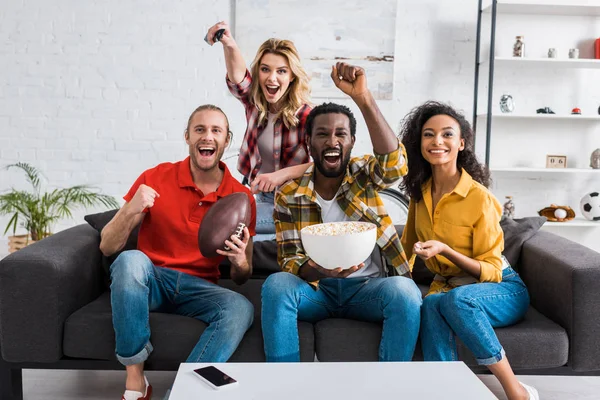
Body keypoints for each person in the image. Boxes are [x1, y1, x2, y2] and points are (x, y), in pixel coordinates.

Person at [260, 62, 423, 362]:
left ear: (351, 142)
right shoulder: (289, 195)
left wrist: (363, 98)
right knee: (276, 285)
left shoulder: (363, 174)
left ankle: (392, 387)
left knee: (406, 293)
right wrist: (319, 269)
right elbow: (290, 262)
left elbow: (394, 166)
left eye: (340, 134)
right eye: (322, 134)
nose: (332, 141)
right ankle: (283, 385)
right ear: (309, 143)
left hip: (368, 289)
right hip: (317, 291)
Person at [99, 104, 256, 400]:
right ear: (187, 136)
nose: (207, 136)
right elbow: (107, 246)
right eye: (199, 129)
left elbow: (241, 278)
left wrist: (240, 260)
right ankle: (136, 382)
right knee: (129, 260)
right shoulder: (156, 177)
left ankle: (186, 391)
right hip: (152, 280)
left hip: (200, 289)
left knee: (241, 308)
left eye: (215, 131)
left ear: (226, 140)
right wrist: (132, 207)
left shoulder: (241, 197)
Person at [399, 101, 538, 400]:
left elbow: (491, 269)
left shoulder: (479, 198)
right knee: (433, 303)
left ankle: (516, 391)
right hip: (449, 288)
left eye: (447, 134)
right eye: (428, 134)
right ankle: (447, 393)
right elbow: (406, 248)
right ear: (419, 142)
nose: (437, 141)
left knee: (455, 300)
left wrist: (446, 250)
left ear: (461, 143)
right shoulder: (419, 194)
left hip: (501, 289)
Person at [206, 21, 313, 241]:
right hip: (260, 196)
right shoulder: (255, 103)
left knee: (231, 231)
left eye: (281, 71)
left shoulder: (307, 117)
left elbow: (323, 165)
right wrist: (229, 43)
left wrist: (280, 176)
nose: (272, 78)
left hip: (293, 203)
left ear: (292, 76)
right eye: (265, 69)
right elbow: (238, 79)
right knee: (232, 231)